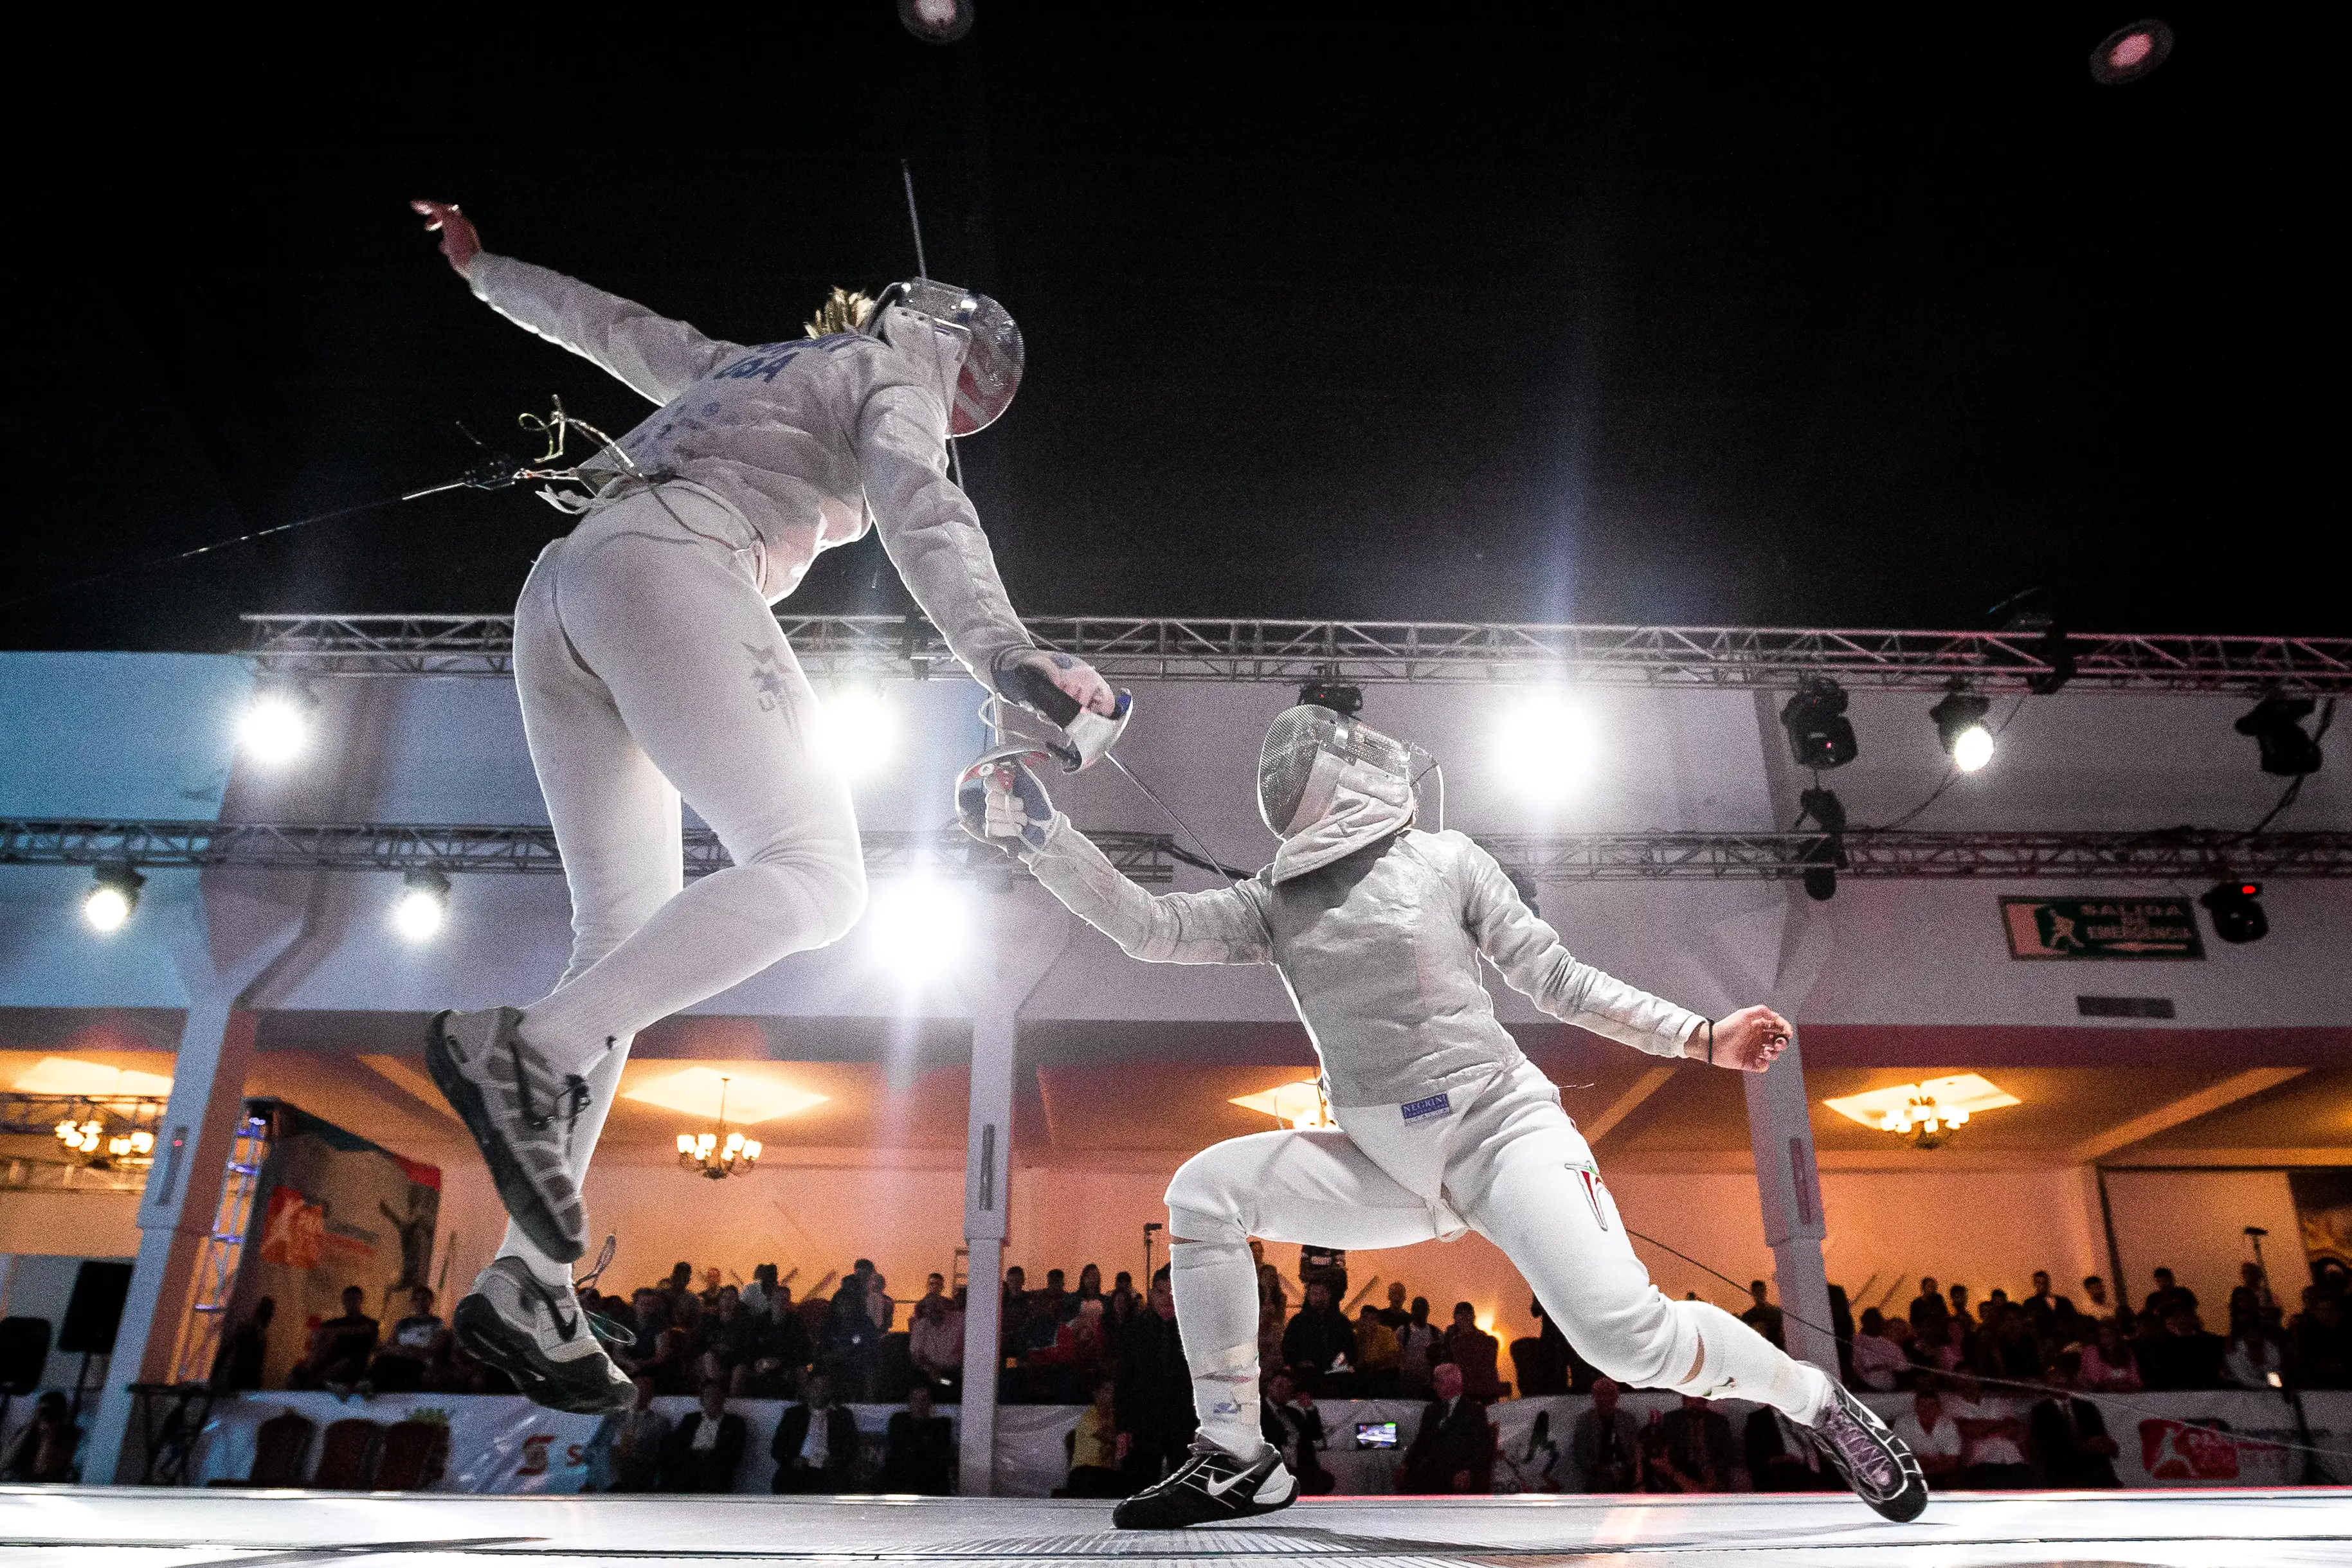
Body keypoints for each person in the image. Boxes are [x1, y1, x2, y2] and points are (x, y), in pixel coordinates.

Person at [407, 197, 1117, 1416]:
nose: (959, 414)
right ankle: (528, 1048)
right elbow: (922, 509)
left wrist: (482, 272)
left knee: (619, 949)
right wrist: (1008, 655)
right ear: (950, 338)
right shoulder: (895, 370)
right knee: (818, 876)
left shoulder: (747, 362)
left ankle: (530, 1272)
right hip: (678, 565)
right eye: (973, 388)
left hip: (564, 583)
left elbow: (605, 324)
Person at [960, 704, 1926, 1526]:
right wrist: (1042, 837)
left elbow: (1554, 975)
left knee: (1624, 1339)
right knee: (1203, 1193)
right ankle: (1236, 1452)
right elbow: (1151, 928)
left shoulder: (1445, 858)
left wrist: (1699, 1036)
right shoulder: (1275, 900)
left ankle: (1813, 1396)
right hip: (1387, 1163)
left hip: (1503, 1134)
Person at [1114, 1270, 1195, 1490]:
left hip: (1183, 1421)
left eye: (1173, 1293)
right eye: (1161, 1292)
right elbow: (1124, 1381)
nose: (1167, 1299)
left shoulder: (1194, 1331)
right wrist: (1123, 1427)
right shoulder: (1135, 1329)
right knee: (1140, 1484)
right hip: (1145, 1421)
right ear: (1151, 1294)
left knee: (1186, 1487)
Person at [1396, 1362, 1494, 1494]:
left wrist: (1468, 1471)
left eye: (1438, 1382)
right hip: (1431, 1470)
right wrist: (1406, 1465)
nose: (1434, 1386)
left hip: (1456, 1469)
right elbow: (1421, 1443)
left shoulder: (1474, 1411)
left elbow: (1483, 1449)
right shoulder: (1431, 1411)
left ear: (1452, 1383)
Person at [2031, 1354, 2121, 1488]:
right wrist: (2081, 1446)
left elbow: (2100, 1435)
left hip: (2092, 1467)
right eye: (2055, 1379)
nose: (2059, 1383)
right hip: (2063, 1467)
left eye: (2063, 1378)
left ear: (2069, 1381)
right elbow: (2046, 1445)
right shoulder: (2041, 1411)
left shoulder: (2086, 1407)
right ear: (2048, 1383)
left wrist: (2102, 1444)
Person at [772, 1372, 860, 1493]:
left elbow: (852, 1447)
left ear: (831, 1391)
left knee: (841, 1483)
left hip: (830, 1471)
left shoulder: (843, 1415)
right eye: (816, 1387)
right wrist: (792, 1460)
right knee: (785, 1481)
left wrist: (836, 1461)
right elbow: (777, 1447)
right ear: (808, 1390)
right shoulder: (793, 1415)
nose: (820, 1391)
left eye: (825, 1388)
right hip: (798, 1470)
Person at [1944, 1373, 2033, 1488]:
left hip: (2013, 1459)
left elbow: (2013, 1428)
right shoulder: (1953, 1404)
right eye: (1963, 1380)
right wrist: (2000, 1424)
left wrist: (1982, 1427)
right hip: (1982, 1462)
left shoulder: (1995, 1400)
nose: (1968, 1383)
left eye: (1971, 1379)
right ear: (1956, 1382)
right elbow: (1969, 1430)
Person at [664, 1380, 748, 1493]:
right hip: (688, 1467)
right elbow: (677, 1445)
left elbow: (735, 1454)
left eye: (717, 1394)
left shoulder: (735, 1423)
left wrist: (709, 1457)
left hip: (716, 1470)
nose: (713, 1398)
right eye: (709, 1394)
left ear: (724, 1398)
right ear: (702, 1400)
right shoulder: (690, 1420)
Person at [1258, 1368, 1333, 1496]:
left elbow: (1315, 1435)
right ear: (1269, 1386)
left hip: (1301, 1468)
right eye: (1280, 1386)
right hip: (1275, 1469)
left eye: (1288, 1388)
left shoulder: (1294, 1414)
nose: (1284, 1392)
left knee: (1325, 1480)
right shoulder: (1259, 1412)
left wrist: (1310, 1409)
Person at [291, 1286, 379, 1390]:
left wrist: (335, 1332)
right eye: (348, 1300)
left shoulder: (370, 1324)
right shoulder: (335, 1324)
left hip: (354, 1365)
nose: (351, 1303)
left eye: (354, 1299)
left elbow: (367, 1334)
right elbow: (318, 1333)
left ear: (361, 1301)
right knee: (299, 1374)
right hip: (332, 1362)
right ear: (343, 1302)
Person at [1280, 1280, 1358, 1394]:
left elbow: (1351, 1349)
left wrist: (1338, 1364)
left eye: (1323, 1293)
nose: (1319, 1298)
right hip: (1307, 1375)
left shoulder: (1342, 1322)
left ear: (1329, 1295)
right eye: (1315, 1294)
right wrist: (1299, 1363)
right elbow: (1288, 1348)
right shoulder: (1298, 1322)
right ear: (1309, 1296)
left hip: (1336, 1375)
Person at [877, 1384, 955, 1495]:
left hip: (930, 1481)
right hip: (901, 1479)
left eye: (923, 1400)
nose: (919, 1404)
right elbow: (898, 1448)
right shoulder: (899, 1422)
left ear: (930, 1403)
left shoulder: (941, 1426)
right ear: (909, 1403)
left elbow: (937, 1453)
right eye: (915, 1400)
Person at [369, 1286, 448, 1392]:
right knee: (381, 1362)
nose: (420, 1303)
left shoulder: (437, 1323)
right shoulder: (402, 1324)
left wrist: (411, 1350)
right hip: (399, 1358)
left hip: (420, 1362)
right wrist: (399, 1350)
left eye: (424, 1299)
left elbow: (435, 1348)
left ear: (431, 1301)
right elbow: (390, 1345)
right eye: (416, 1299)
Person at [1570, 1376, 1640, 1492]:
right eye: (1601, 1394)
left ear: (1616, 1397)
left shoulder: (1627, 1419)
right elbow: (1580, 1453)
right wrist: (1602, 1470)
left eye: (1610, 1394)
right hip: (1597, 1475)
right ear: (1595, 1397)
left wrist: (1624, 1468)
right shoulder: (1585, 1421)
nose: (1605, 1398)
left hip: (1626, 1473)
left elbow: (1635, 1449)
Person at [1661, 1396, 1742, 1492]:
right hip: (1682, 1468)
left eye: (1698, 1401)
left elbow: (1728, 1451)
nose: (1694, 1405)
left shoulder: (1719, 1421)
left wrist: (1715, 1468)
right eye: (1690, 1400)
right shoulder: (1672, 1419)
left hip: (1712, 1467)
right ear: (1684, 1400)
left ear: (1705, 1401)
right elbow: (1668, 1446)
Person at [606, 1374, 671, 1492]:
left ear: (651, 1395)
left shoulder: (660, 1422)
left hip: (638, 1466)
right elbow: (600, 1443)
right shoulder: (613, 1417)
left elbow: (653, 1450)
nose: (640, 1394)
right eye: (636, 1390)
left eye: (645, 1390)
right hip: (610, 1463)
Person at [1063, 1377, 1126, 1498]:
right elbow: (1110, 1438)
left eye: (1113, 1391)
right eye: (1107, 1391)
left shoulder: (1111, 1418)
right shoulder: (1089, 1417)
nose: (1112, 1395)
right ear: (1097, 1394)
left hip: (1104, 1474)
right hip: (1084, 1473)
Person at [1887, 1388, 1964, 1488]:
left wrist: (1926, 1468)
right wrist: (1929, 1461)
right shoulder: (1904, 1423)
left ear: (1938, 1408)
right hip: (1912, 1475)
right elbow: (1900, 1457)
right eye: (1923, 1405)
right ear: (1916, 1407)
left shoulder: (1949, 1425)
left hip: (1940, 1475)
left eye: (1931, 1405)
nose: (1927, 1409)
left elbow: (1951, 1462)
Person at [0, 1392, 78, 1483]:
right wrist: (31, 1425)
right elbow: (4, 1463)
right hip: (16, 1482)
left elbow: (40, 1470)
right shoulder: (28, 1431)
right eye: (44, 1411)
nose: (47, 1416)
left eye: (53, 1413)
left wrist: (48, 1437)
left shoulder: (67, 1439)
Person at [1444, 1302, 1506, 1402]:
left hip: (1483, 1382)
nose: (1464, 1317)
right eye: (1460, 1313)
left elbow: (1490, 1364)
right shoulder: (1450, 1338)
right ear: (1455, 1317)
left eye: (1468, 1313)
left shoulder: (1484, 1338)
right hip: (1460, 1383)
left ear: (1473, 1316)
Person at [212, 1296, 275, 1392]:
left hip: (239, 1375)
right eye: (270, 1314)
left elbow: (228, 1348)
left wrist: (216, 1370)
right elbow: (229, 1348)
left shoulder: (250, 1327)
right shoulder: (257, 1332)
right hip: (244, 1378)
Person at [1850, 1308, 1908, 1392]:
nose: (1875, 1325)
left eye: (1877, 1322)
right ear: (1864, 1322)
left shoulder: (1887, 1344)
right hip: (1866, 1387)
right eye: (1872, 1322)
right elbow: (1856, 1366)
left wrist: (1887, 1366)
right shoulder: (1856, 1342)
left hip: (1891, 1387)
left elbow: (1903, 1365)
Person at [1395, 1296, 1443, 1398]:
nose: (1420, 1312)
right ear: (1412, 1311)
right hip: (1409, 1382)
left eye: (1423, 1309)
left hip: (1429, 1382)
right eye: (1417, 1309)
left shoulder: (1436, 1333)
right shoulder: (1403, 1332)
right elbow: (1397, 1355)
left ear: (1428, 1311)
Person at [1353, 1302, 1401, 1394]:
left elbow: (1392, 1359)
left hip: (1382, 1378)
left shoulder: (1386, 1332)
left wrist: (1373, 1365)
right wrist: (1364, 1338)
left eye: (1372, 1319)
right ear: (1360, 1320)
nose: (1368, 1323)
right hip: (1362, 1378)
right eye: (1365, 1319)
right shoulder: (1355, 1335)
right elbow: (1356, 1363)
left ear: (1377, 1321)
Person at [1741, 1281, 1786, 1350]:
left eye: (1762, 1291)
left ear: (1765, 1292)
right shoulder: (1747, 1317)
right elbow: (1745, 1340)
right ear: (1752, 1293)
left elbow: (1784, 1336)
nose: (1760, 1294)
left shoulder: (1776, 1313)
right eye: (1757, 1292)